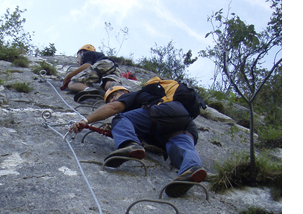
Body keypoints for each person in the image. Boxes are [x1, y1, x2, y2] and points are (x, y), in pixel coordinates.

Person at [69, 84, 207, 197]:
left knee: (119, 118)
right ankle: (191, 167)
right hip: (184, 124)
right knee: (180, 147)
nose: (112, 101)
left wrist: (85, 120)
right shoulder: (142, 112)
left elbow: (113, 108)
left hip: (163, 113)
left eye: (113, 96)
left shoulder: (133, 96)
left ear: (124, 91)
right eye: (110, 99)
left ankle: (130, 145)